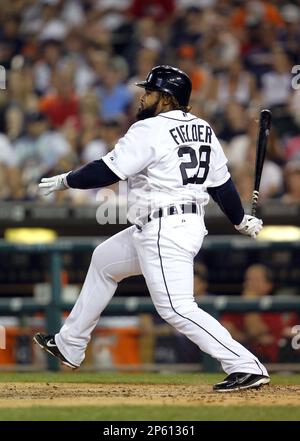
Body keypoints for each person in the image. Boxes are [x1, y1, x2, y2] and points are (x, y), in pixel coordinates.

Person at [33, 65, 269, 392]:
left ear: (166, 98)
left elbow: (108, 170)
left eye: (150, 92)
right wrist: (240, 219)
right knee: (104, 260)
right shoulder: (203, 128)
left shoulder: (149, 129)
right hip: (178, 224)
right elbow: (223, 186)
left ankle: (245, 365)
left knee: (175, 307)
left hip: (163, 226)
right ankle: (70, 343)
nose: (143, 97)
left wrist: (66, 179)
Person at [221, 264, 299, 363]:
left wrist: (250, 303)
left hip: (273, 361)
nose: (250, 284)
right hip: (241, 358)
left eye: (256, 280)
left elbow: (257, 332)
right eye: (248, 280)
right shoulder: (236, 306)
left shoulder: (276, 307)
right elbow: (226, 332)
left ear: (268, 285)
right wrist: (250, 339)